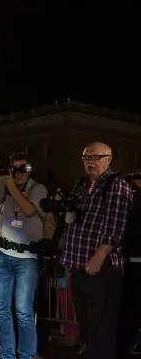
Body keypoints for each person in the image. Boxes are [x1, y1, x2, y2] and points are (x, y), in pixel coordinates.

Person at [61, 142, 133, 359]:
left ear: (108, 159)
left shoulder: (116, 185)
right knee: (88, 328)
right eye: (86, 158)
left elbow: (116, 226)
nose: (90, 162)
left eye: (95, 157)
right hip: (78, 264)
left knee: (102, 330)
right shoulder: (81, 185)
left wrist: (100, 256)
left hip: (102, 268)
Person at [0, 152, 47, 359]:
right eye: (14, 169)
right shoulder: (5, 187)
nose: (19, 173)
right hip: (3, 255)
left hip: (27, 257)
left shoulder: (38, 188)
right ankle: (7, 354)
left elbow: (29, 210)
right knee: (1, 308)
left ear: (30, 169)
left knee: (23, 310)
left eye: (23, 168)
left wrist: (10, 184)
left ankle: (26, 355)